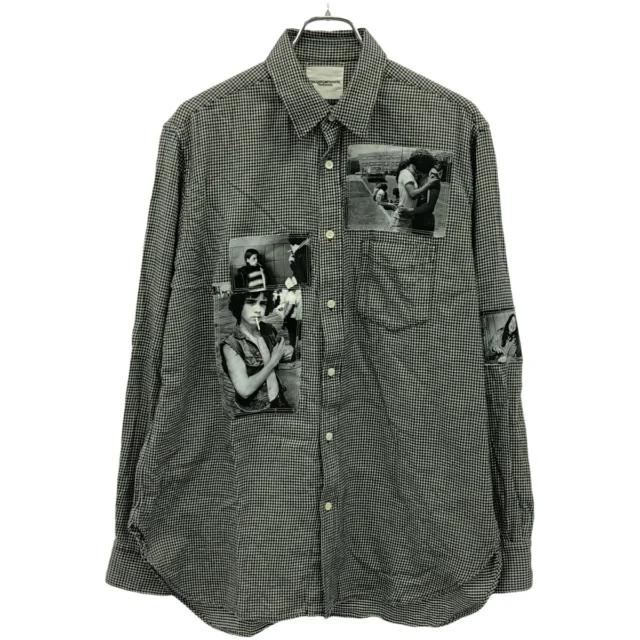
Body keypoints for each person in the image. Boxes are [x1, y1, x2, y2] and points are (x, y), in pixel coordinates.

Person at [220, 290, 294, 412]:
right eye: (251, 302)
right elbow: (245, 390)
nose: (258, 310)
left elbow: (279, 352)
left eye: (263, 303)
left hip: (280, 400)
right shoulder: (231, 344)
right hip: (257, 411)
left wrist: (288, 350)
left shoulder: (268, 330)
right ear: (239, 304)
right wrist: (273, 361)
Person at [389, 151, 439, 231]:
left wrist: (411, 210)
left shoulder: (430, 176)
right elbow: (412, 194)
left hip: (422, 219)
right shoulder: (408, 174)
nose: (419, 174)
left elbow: (430, 205)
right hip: (407, 218)